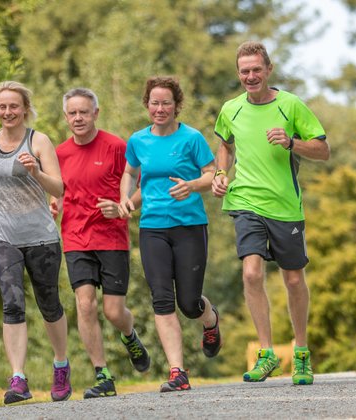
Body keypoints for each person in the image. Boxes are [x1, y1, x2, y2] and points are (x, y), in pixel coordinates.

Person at [212, 41, 329, 386]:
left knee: (293, 279)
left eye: (256, 70)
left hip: (284, 206)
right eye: (245, 71)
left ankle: (302, 353)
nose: (250, 76)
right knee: (251, 273)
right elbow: (225, 145)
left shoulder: (290, 105)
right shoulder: (230, 109)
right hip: (245, 200)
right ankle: (266, 354)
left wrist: (293, 142)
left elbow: (323, 150)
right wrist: (221, 174)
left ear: (269, 70)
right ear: (239, 74)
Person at [0, 81, 72, 404]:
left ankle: (61, 365)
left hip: (40, 235)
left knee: (49, 303)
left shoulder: (38, 141)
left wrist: (36, 172)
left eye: (14, 106)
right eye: (2, 106)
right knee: (12, 302)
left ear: (25, 109)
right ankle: (18, 378)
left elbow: (59, 189)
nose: (7, 112)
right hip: (1, 234)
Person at [118, 76, 222, 393]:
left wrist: (191, 186)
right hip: (152, 228)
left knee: (189, 303)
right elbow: (130, 173)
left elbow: (212, 174)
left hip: (189, 225)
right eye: (154, 103)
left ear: (176, 106)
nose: (160, 108)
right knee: (162, 300)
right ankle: (178, 372)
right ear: (147, 105)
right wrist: (126, 198)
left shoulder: (191, 139)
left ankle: (210, 321)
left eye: (166, 103)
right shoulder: (138, 141)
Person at [52, 87, 151, 399]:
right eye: (73, 113)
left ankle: (129, 335)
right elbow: (57, 189)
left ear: (96, 113)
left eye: (84, 112)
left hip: (111, 237)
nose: (78, 118)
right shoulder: (59, 153)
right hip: (75, 237)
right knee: (84, 304)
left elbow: (144, 185)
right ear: (66, 116)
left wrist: (124, 207)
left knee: (113, 311)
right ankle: (102, 374)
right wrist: (54, 202)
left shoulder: (116, 146)